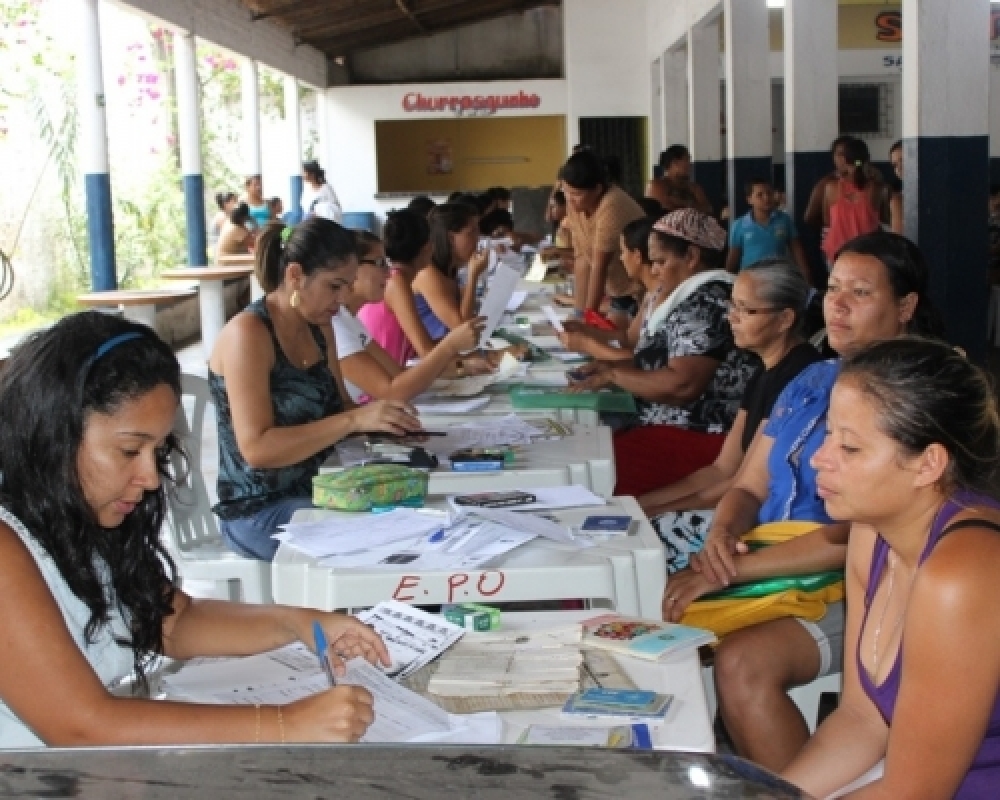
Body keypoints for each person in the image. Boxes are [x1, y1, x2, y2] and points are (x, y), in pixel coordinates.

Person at [0, 312, 391, 747]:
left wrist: (299, 622)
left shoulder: (83, 517)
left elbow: (174, 620)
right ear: (56, 436)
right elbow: (82, 725)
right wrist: (284, 724)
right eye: (129, 450)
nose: (150, 477)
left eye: (158, 449)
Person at [663, 231, 943, 774]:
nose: (837, 304)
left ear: (905, 306)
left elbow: (857, 538)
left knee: (742, 660)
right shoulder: (813, 378)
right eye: (833, 287)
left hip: (865, 582)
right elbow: (746, 484)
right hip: (775, 558)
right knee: (665, 612)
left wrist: (731, 569)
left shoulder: (917, 396)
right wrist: (720, 539)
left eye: (860, 293)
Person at [783, 338, 1000, 799]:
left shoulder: (963, 574)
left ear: (928, 465)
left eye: (851, 447)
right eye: (828, 435)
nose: (818, 459)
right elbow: (862, 720)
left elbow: (914, 793)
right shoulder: (871, 530)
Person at [209, 217, 424, 561]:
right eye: (334, 286)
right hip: (257, 509)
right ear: (295, 276)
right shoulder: (248, 334)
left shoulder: (319, 329)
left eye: (348, 286)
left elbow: (339, 409)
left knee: (414, 518)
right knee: (380, 543)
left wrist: (383, 426)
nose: (342, 299)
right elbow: (257, 449)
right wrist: (354, 422)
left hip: (319, 488)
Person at [641, 259, 821, 573]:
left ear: (784, 319)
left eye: (746, 310)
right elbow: (721, 469)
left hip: (763, 520)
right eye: (732, 306)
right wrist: (643, 505)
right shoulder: (762, 373)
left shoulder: (798, 377)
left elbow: (740, 484)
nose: (731, 318)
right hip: (736, 509)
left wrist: (652, 513)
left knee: (647, 546)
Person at [568, 209, 757, 498]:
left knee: (590, 475)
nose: (653, 271)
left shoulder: (707, 303)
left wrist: (616, 373)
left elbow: (682, 384)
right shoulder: (688, 297)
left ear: (692, 257)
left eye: (660, 262)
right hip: (672, 427)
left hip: (700, 435)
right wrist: (608, 369)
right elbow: (659, 361)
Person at [335, 229, 486, 403]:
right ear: (351, 267)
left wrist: (463, 367)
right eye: (379, 263)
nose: (388, 271)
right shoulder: (336, 324)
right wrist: (449, 346)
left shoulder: (349, 319)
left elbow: (398, 373)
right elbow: (392, 392)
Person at [557, 216, 658, 360]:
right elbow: (629, 339)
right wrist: (585, 330)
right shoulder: (651, 294)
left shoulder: (663, 296)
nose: (621, 258)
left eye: (623, 252)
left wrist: (587, 345)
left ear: (637, 256)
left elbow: (642, 358)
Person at [561, 149, 646, 313]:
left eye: (576, 194)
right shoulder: (575, 205)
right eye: (565, 192)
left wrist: (588, 319)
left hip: (636, 293)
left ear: (597, 189)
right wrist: (579, 313)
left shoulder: (611, 205)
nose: (570, 200)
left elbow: (599, 266)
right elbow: (583, 260)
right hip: (615, 293)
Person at [411, 203, 489, 339]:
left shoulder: (449, 270)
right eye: (472, 232)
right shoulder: (427, 273)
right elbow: (463, 328)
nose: (478, 238)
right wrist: (473, 275)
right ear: (451, 239)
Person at [726, 178, 810, 282]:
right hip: (751, 280)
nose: (766, 198)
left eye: (769, 193)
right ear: (749, 199)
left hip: (779, 278)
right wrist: (728, 280)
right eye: (760, 195)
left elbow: (797, 251)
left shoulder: (784, 220)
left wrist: (807, 278)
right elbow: (733, 258)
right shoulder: (739, 225)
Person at [821, 138, 884, 266]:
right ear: (868, 159)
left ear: (844, 160)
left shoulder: (831, 187)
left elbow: (827, 220)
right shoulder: (876, 189)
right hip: (868, 255)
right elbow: (883, 219)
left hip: (837, 254)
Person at [803, 135, 856, 231]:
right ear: (833, 157)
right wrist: (835, 223)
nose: (843, 159)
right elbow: (809, 217)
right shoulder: (826, 183)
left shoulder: (867, 177)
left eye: (847, 154)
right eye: (839, 154)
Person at [646, 145, 713, 216]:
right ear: (675, 163)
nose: (690, 165)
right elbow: (665, 210)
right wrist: (693, 207)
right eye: (687, 160)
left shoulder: (693, 187)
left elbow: (708, 210)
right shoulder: (657, 185)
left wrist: (683, 203)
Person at [888, 140, 904, 235]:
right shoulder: (897, 199)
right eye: (894, 165)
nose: (899, 168)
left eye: (903, 160)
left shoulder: (898, 200)